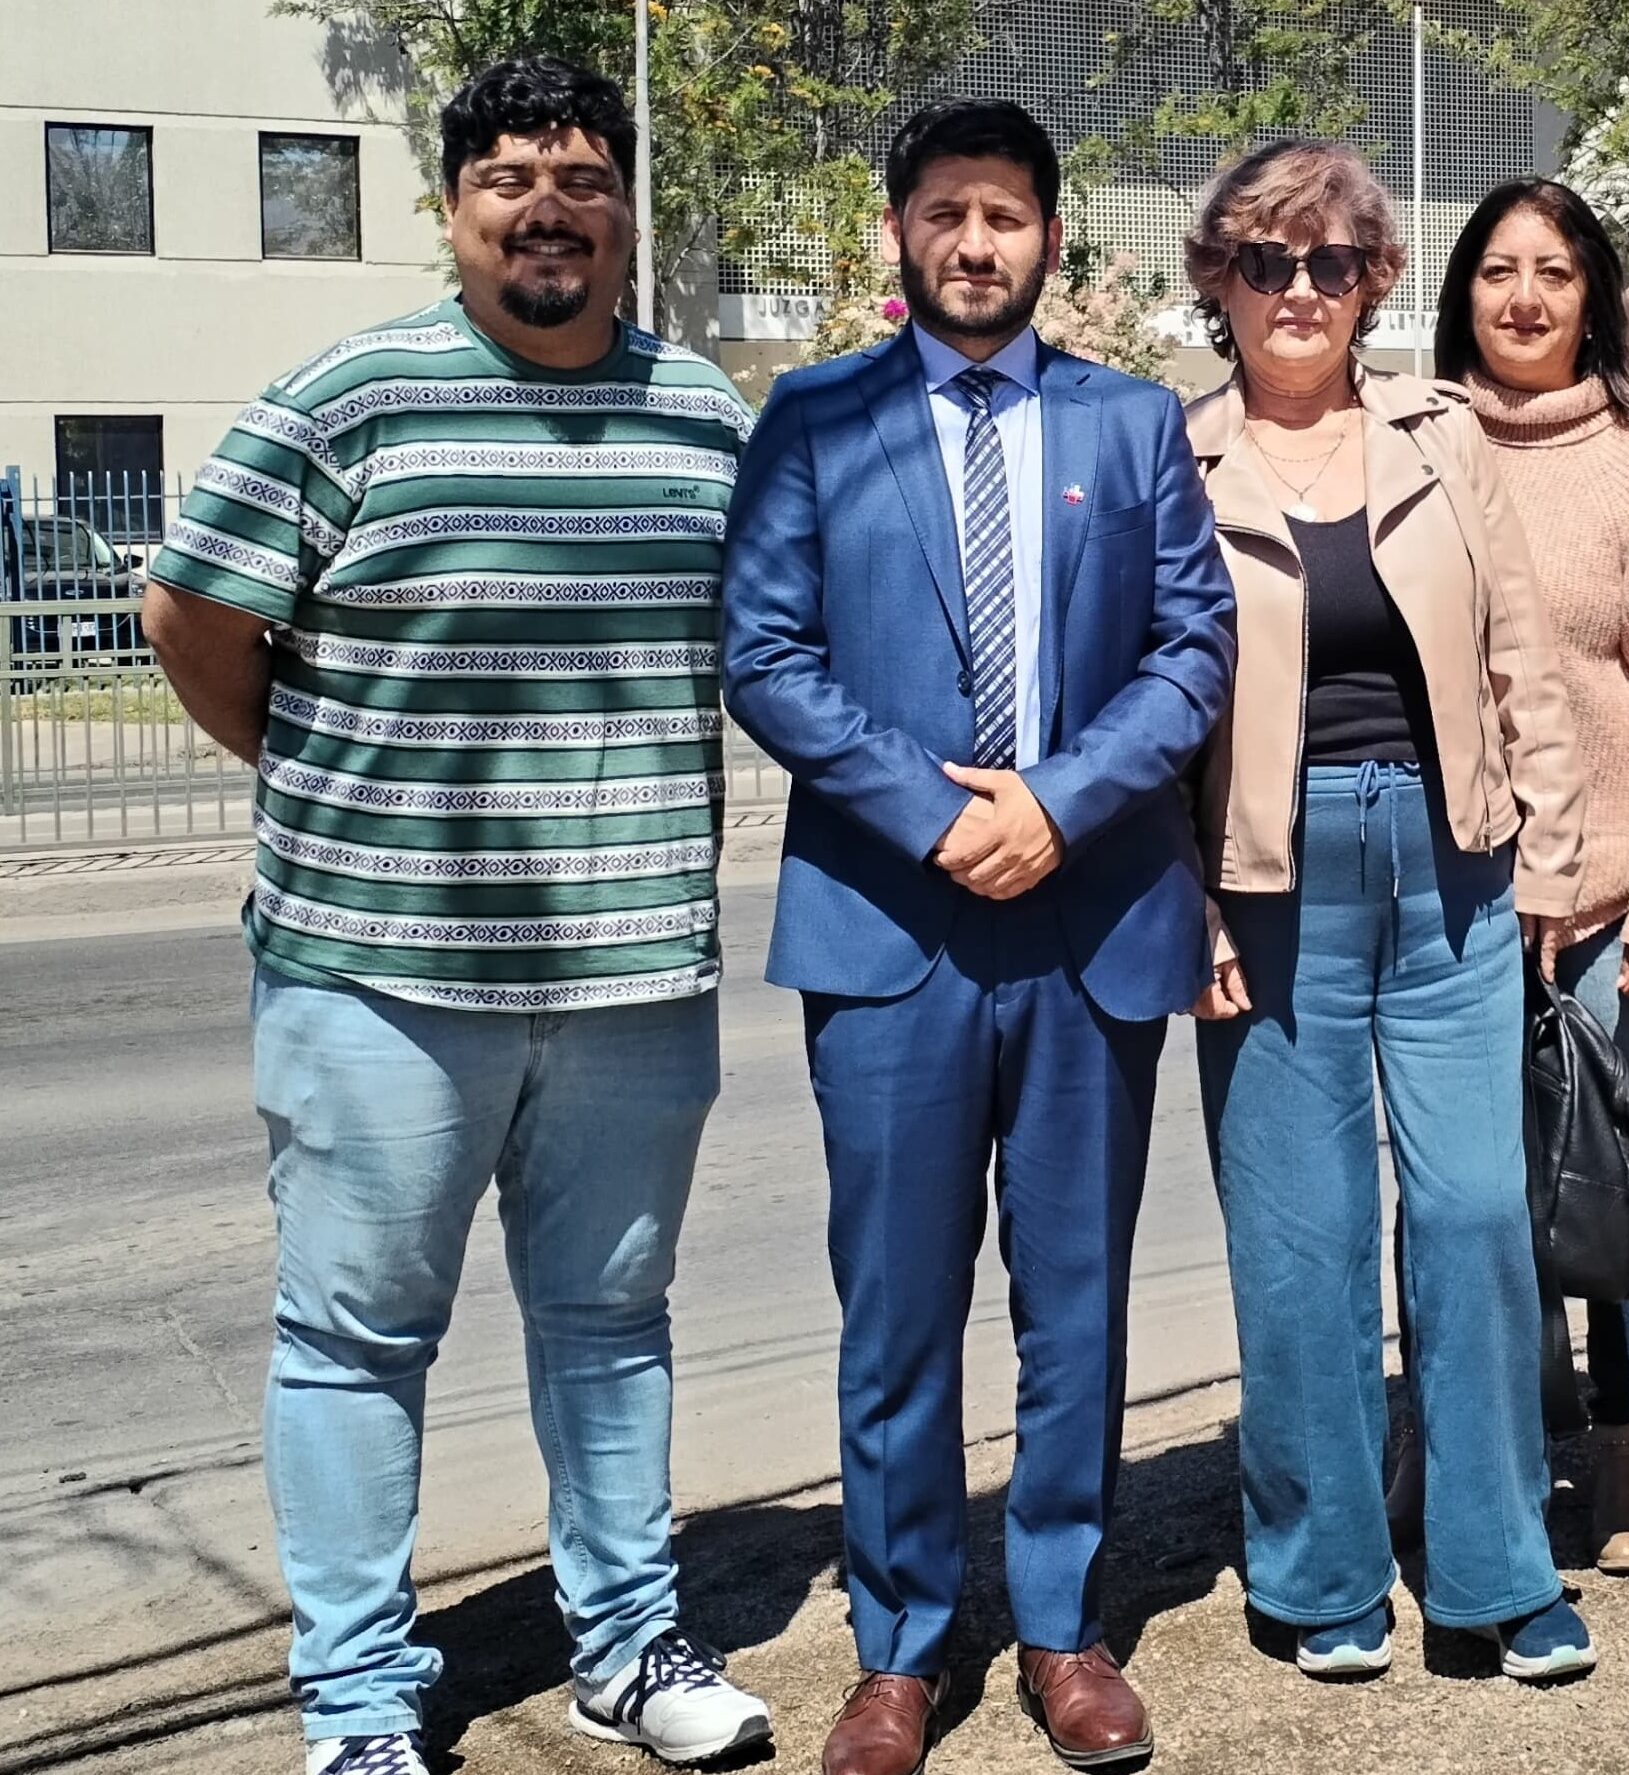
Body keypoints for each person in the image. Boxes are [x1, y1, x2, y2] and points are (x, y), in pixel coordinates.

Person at [139, 56, 771, 1775]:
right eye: (508, 178)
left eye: (580, 176)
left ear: (627, 212)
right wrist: (316, 776)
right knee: (352, 1341)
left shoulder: (707, 419)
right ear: (456, 210)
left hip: (635, 975)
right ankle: (356, 1704)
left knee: (610, 1326)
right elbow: (191, 607)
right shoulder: (347, 401)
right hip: (374, 977)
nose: (547, 205)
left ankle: (628, 1650)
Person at [720, 100, 1236, 1775]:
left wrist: (1056, 805)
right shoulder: (813, 421)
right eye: (944, 212)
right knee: (896, 1308)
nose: (973, 242)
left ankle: (1065, 1630)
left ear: (1050, 241)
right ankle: (898, 1652)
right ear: (897, 234)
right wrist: (940, 812)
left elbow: (1192, 649)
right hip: (889, 928)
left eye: (1004, 215)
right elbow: (767, 656)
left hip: (1089, 923)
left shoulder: (1132, 423)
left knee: (1073, 1304)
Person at [1180, 140, 1593, 1684]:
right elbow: (1155, 706)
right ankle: (1321, 1567)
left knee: (1478, 1221)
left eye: (1333, 265)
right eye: (1268, 263)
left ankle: (1495, 1567)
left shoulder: (1441, 435)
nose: (1301, 292)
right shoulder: (1178, 453)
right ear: (1217, 280)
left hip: (1455, 870)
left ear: (1372, 287)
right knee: (1302, 1242)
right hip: (1263, 886)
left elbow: (1520, 656)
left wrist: (1547, 859)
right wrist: (1181, 904)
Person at [1429, 178, 1629, 1575]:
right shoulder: (1412, 445)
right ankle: (1466, 1430)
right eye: (1497, 270)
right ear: (1461, 291)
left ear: (1593, 298)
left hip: (1606, 898)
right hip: (1445, 894)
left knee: (1601, 1173)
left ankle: (1623, 1429)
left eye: (1553, 272)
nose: (1524, 298)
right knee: (1459, 1185)